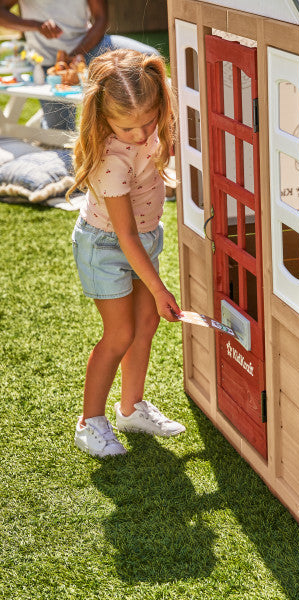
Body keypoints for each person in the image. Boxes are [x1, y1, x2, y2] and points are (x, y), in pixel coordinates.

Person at [67, 49, 184, 457]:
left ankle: (131, 409)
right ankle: (90, 423)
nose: (140, 134)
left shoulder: (153, 117)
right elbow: (125, 235)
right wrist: (160, 287)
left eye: (148, 122)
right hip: (107, 247)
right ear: (104, 118)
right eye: (127, 126)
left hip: (144, 239)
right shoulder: (110, 161)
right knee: (119, 334)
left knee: (146, 323)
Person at [0, 0, 160, 130]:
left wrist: (77, 54)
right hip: (48, 61)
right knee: (60, 130)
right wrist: (36, 25)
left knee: (149, 58)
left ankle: (158, 124)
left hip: (90, 45)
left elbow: (101, 18)